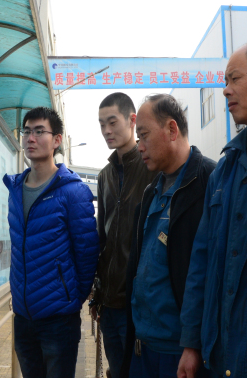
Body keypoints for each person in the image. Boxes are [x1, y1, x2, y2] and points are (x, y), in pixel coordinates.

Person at [177, 40, 247, 378]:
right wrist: (191, 343)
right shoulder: (224, 170)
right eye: (225, 82)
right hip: (221, 355)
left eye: (234, 79)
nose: (225, 91)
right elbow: (201, 261)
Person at [121, 94, 216, 378]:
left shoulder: (210, 182)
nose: (139, 146)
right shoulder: (151, 192)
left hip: (181, 354)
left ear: (172, 129)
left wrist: (193, 343)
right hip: (142, 347)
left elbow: (213, 274)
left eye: (144, 135)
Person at [3, 107, 99, 378]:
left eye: (39, 131)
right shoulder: (16, 189)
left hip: (58, 320)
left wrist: (71, 300)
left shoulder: (73, 192)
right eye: (26, 132)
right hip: (23, 317)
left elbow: (87, 254)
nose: (30, 138)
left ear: (56, 140)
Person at [91, 92, 158, 378]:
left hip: (139, 304)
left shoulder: (151, 167)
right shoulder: (104, 175)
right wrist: (97, 293)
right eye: (101, 124)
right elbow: (102, 239)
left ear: (132, 120)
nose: (106, 130)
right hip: (109, 305)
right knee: (117, 371)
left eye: (112, 122)